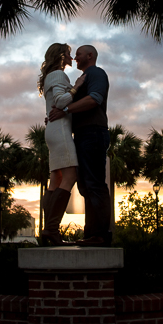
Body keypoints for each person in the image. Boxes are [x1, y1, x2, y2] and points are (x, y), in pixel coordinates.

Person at [48, 44, 110, 247]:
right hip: (83, 134)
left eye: (79, 54)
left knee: (94, 184)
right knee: (85, 186)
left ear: (90, 56)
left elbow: (94, 99)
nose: (75, 57)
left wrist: (64, 110)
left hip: (94, 132)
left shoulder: (96, 73)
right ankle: (92, 233)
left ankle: (100, 234)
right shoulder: (80, 79)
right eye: (73, 54)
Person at [38, 43, 85, 246]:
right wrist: (77, 87)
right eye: (67, 53)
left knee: (55, 180)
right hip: (60, 131)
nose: (71, 56)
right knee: (70, 175)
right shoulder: (58, 75)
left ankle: (48, 230)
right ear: (60, 56)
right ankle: (52, 229)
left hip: (54, 130)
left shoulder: (51, 76)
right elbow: (59, 101)